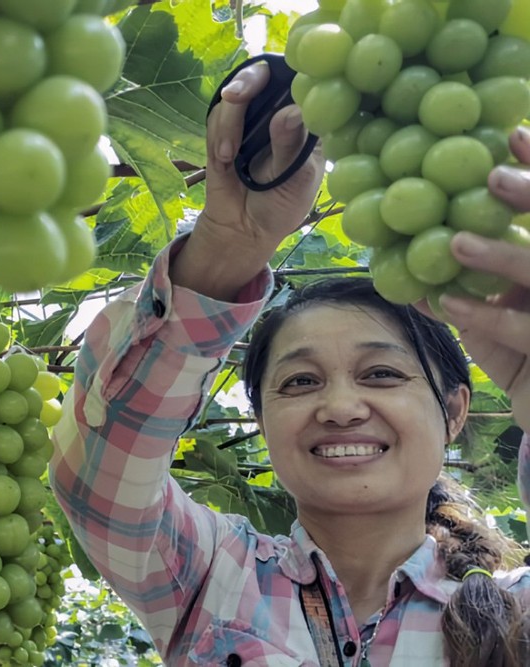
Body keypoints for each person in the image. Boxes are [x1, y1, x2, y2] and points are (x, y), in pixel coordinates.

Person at [49, 58, 530, 667]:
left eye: (381, 373)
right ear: (260, 418)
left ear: (455, 409)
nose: (339, 407)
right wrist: (229, 246)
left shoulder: (516, 614)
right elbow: (97, 481)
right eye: (299, 381)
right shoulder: (210, 574)